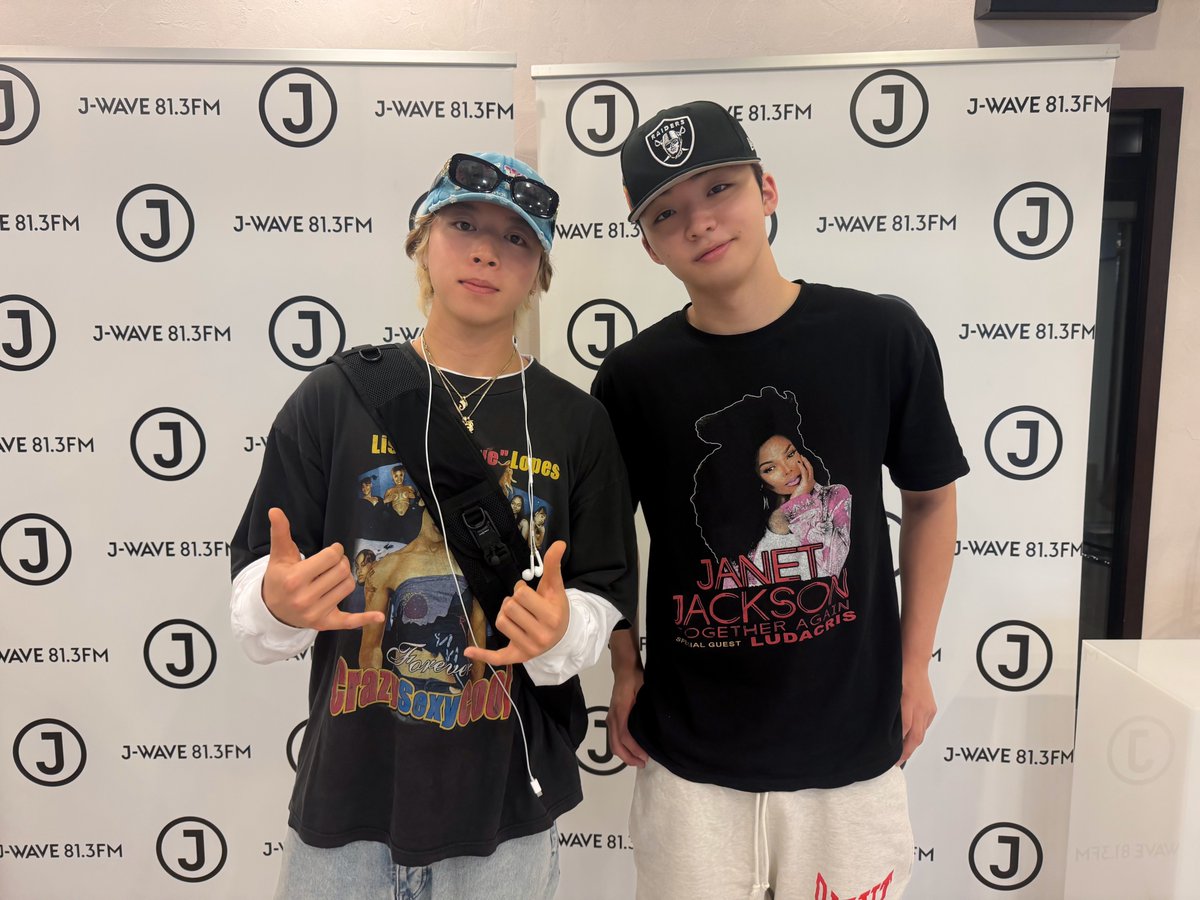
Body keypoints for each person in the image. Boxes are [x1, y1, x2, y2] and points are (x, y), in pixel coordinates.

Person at [230, 151, 637, 900]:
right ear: (422, 242)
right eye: (463, 226)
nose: (486, 252)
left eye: (516, 238)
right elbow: (260, 574)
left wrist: (562, 629)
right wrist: (275, 603)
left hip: (504, 813)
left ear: (540, 272)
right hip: (347, 801)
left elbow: (603, 589)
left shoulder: (577, 423)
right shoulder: (336, 397)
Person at [592, 101, 969, 900]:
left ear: (766, 189)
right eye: (666, 213)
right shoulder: (632, 379)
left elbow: (931, 499)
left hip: (851, 753)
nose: (699, 222)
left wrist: (914, 667)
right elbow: (604, 539)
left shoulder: (877, 335)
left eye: (718, 188)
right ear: (649, 243)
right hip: (691, 760)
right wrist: (624, 668)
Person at [693, 386, 852, 584]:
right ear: (756, 479)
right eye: (769, 468)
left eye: (790, 454)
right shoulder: (745, 527)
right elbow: (734, 588)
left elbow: (832, 569)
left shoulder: (834, 497)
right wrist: (777, 523)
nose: (788, 470)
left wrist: (798, 507)